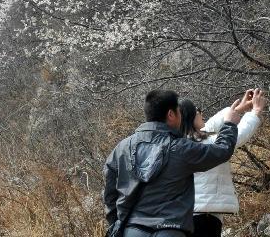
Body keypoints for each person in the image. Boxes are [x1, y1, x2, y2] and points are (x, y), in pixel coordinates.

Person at [103, 89, 253, 237]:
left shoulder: (122, 148)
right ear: (171, 114)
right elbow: (221, 151)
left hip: (132, 229)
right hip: (170, 229)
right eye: (179, 112)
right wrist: (229, 125)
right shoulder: (180, 148)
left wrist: (116, 222)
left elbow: (110, 193)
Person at [181, 89, 266, 237]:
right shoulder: (205, 144)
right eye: (197, 110)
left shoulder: (182, 142)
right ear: (189, 116)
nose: (201, 113)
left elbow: (210, 127)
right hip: (203, 216)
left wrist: (238, 109)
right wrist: (255, 112)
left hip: (186, 214)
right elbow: (234, 136)